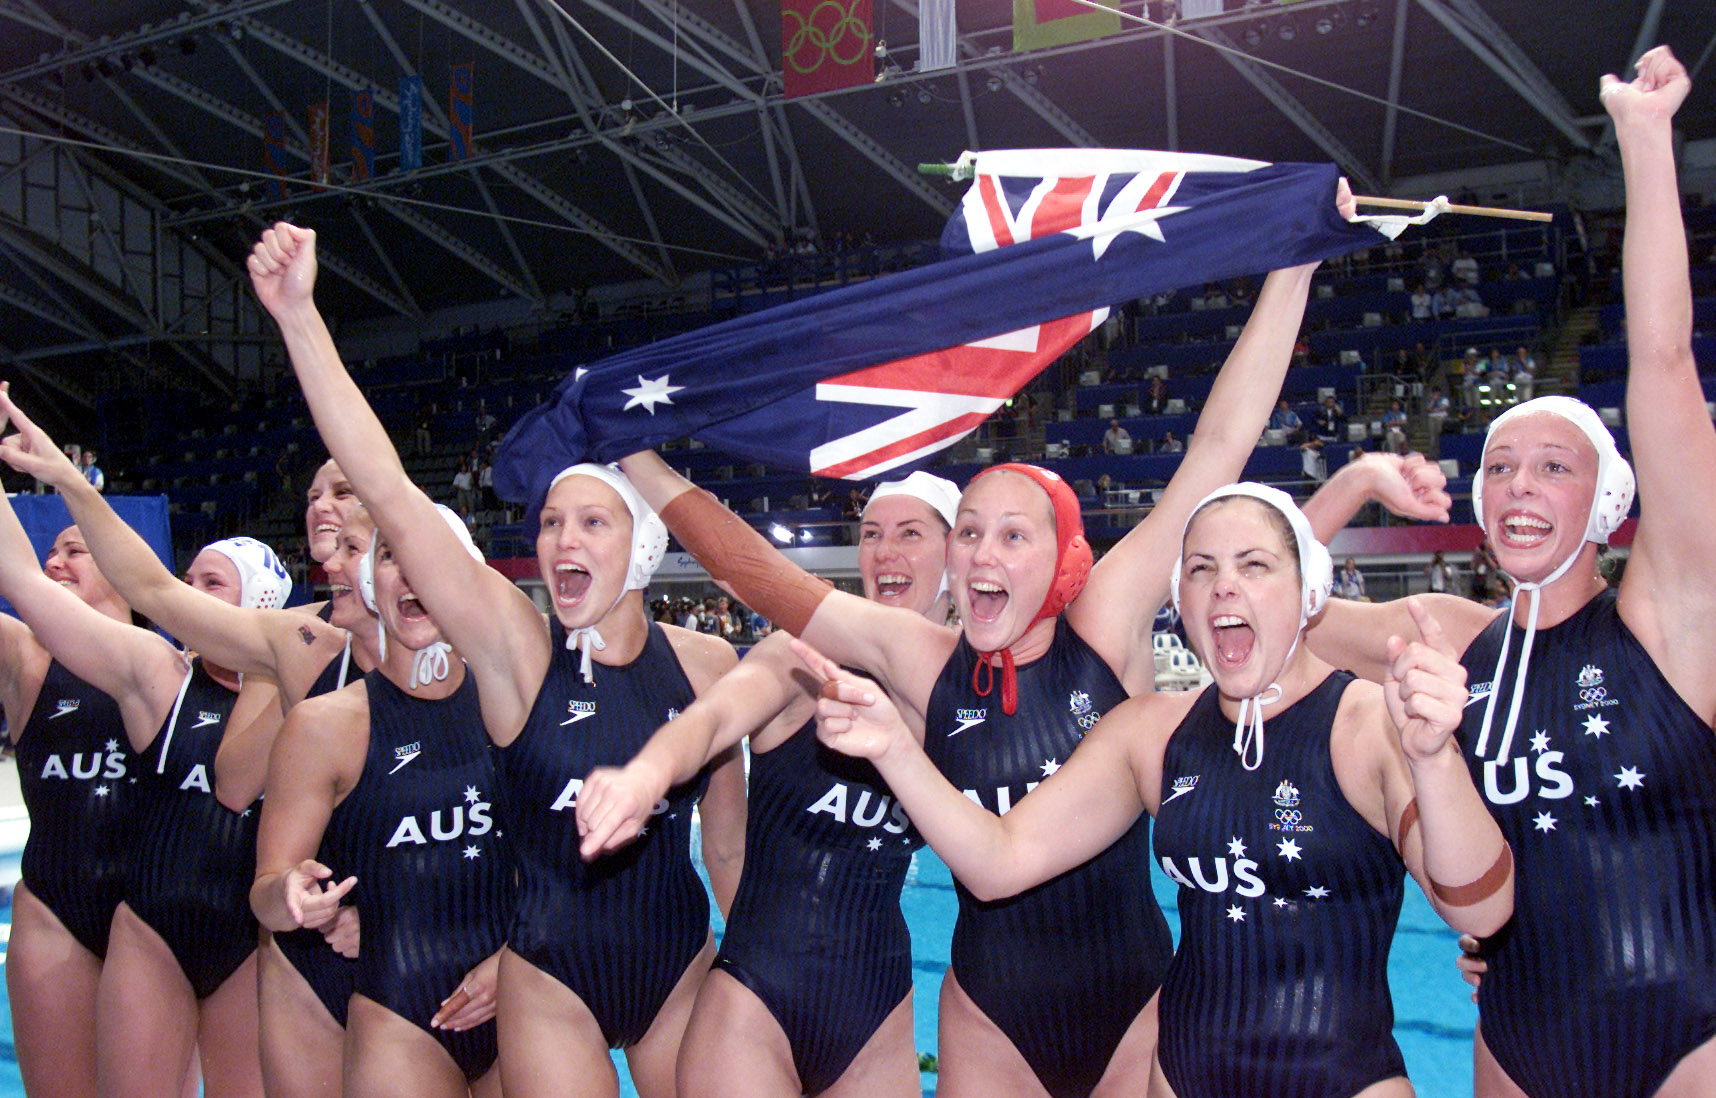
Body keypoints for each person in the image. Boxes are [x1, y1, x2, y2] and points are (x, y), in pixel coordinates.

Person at [620, 260, 1328, 1098]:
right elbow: (764, 577)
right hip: (990, 1019)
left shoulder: (1102, 625)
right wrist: (636, 457)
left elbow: (1217, 449)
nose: (984, 554)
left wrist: (1294, 267)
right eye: (972, 535)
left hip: (1136, 1006)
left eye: (1014, 537)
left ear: (1064, 562)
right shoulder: (926, 660)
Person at [798, 482, 1511, 1098]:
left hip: (1343, 1077)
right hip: (1183, 1076)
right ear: (1181, 602)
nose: (1223, 585)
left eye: (1253, 566)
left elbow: (1481, 903)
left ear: (1309, 591)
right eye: (1200, 570)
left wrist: (1435, 760)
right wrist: (895, 748)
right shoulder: (1149, 735)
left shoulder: (1365, 724)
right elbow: (997, 859)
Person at [1300, 46, 1716, 1098]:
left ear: (1609, 504)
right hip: (1516, 1040)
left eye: (1554, 466)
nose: (1519, 484)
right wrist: (1350, 482)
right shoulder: (1448, 634)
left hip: (1692, 1033)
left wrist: (1644, 139)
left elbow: (1663, 361)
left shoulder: (1669, 616)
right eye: (1498, 465)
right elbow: (1267, 605)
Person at [247, 222, 746, 1098]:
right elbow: (394, 494)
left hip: (679, 973)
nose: (562, 539)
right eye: (551, 522)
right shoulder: (517, 655)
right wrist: (299, 318)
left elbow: (734, 855)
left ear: (640, 550)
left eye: (593, 522)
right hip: (549, 984)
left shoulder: (708, 667)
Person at [10, 422, 382, 1098]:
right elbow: (235, 782)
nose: (321, 505)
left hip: (285, 942)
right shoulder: (239, 658)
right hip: (168, 920)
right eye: (313, 493)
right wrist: (66, 482)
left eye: (345, 491)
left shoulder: (434, 656)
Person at [576, 472, 961, 1098]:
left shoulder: (963, 703)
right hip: (754, 1001)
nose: (885, 552)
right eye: (871, 535)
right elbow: (713, 718)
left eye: (909, 534)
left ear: (953, 554)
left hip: (878, 1004)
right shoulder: (802, 657)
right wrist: (648, 773)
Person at [251, 510, 512, 1098]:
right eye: (393, 555)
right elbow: (266, 892)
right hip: (395, 1013)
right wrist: (289, 894)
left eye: (430, 553)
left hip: (516, 995)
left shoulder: (515, 705)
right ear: (372, 581)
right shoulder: (324, 726)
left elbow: (562, 863)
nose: (413, 571)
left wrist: (514, 957)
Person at [0, 523, 135, 1098]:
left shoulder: (181, 667)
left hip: (153, 918)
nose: (54, 563)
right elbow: (15, 570)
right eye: (49, 553)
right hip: (55, 909)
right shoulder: (28, 662)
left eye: (74, 551)